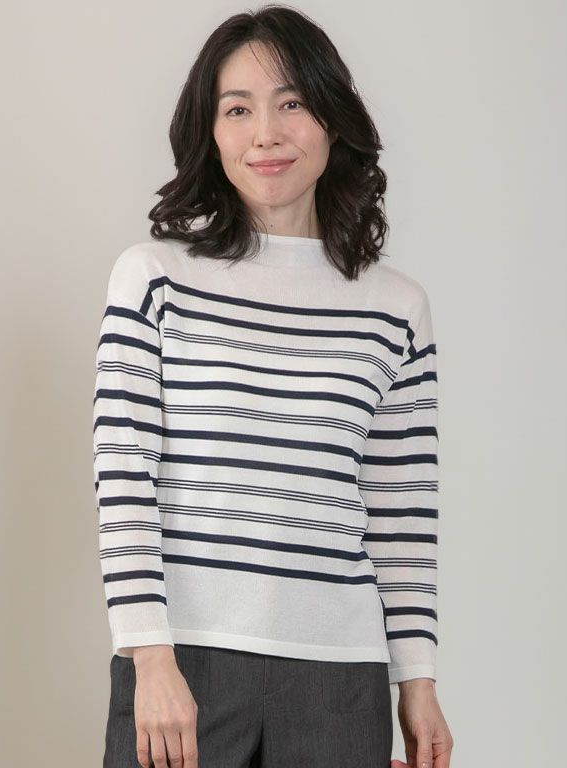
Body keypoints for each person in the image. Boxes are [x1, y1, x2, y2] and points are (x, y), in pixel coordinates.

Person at [92, 5, 453, 768]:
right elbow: (124, 477)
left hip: (340, 682)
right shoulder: (154, 279)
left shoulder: (396, 309)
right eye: (237, 109)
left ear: (332, 120)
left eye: (291, 102)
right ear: (210, 132)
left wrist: (416, 680)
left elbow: (401, 513)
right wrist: (149, 653)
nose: (266, 133)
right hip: (184, 664)